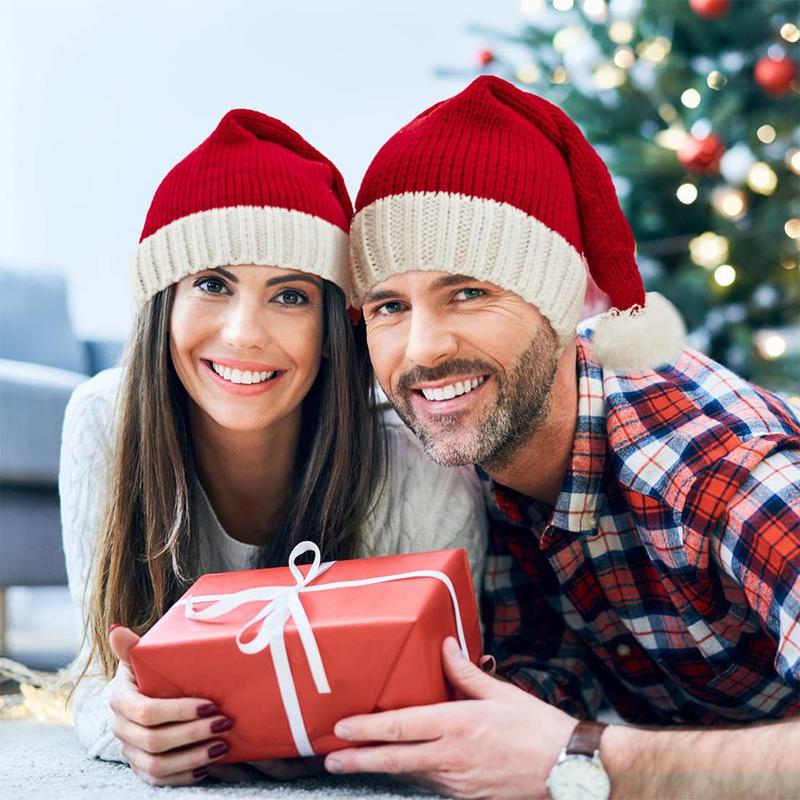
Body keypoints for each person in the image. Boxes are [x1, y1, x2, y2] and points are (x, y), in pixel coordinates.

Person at [324, 76, 800, 799]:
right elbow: (539, 680)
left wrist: (583, 757)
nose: (420, 350)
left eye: (469, 292)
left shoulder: (715, 472)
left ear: (556, 303)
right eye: (389, 306)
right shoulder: (488, 444)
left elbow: (562, 746)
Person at [59, 109, 487, 788]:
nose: (243, 333)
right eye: (211, 284)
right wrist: (125, 719)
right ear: (163, 303)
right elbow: (93, 675)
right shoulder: (103, 422)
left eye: (288, 295)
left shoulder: (413, 462)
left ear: (328, 327)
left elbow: (458, 703)